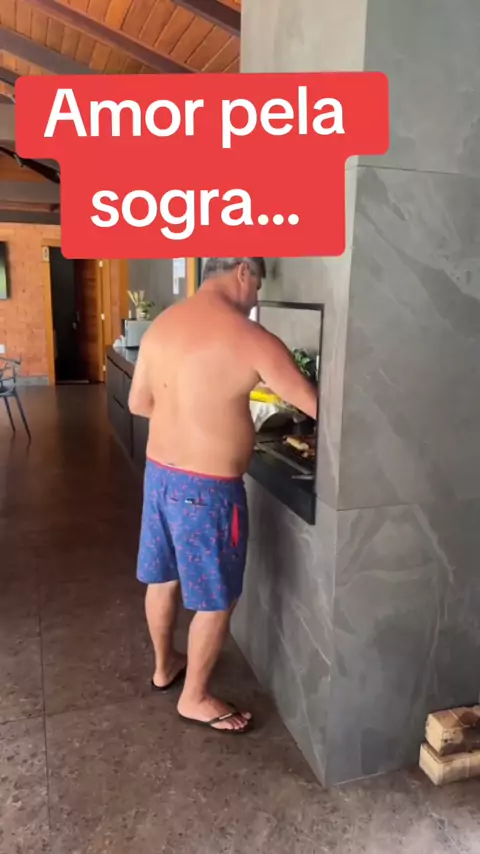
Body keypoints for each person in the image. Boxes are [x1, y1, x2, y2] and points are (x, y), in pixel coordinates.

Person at [128, 257, 318, 734]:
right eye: (259, 282)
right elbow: (316, 405)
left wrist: (195, 407)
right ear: (243, 271)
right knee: (215, 599)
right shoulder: (249, 337)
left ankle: (164, 666)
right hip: (207, 491)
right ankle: (194, 696)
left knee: (163, 577)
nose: (257, 295)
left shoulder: (163, 325)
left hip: (159, 477)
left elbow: (139, 402)